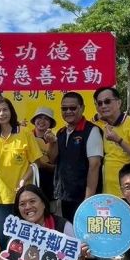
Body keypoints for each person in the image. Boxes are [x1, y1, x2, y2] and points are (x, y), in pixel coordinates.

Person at [0, 184, 91, 260]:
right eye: (22, 204)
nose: (28, 207)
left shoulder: (63, 226)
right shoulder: (17, 232)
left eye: (32, 201)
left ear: (43, 203)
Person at [0, 97, 44, 248]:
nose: (2, 114)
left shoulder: (24, 132)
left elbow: (35, 163)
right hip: (0, 197)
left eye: (5, 110)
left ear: (11, 111)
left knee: (25, 239)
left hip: (24, 197)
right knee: (2, 238)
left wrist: (24, 180)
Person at [92, 87, 130, 198]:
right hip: (108, 192)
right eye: (99, 103)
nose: (103, 106)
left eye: (107, 101)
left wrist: (119, 141)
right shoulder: (99, 125)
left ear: (119, 103)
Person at [52, 91, 103, 223]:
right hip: (65, 196)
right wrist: (52, 143)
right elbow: (53, 159)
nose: (68, 111)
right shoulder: (61, 132)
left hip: (84, 198)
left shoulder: (92, 130)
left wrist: (88, 200)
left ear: (82, 108)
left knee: (84, 232)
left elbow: (94, 166)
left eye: (73, 108)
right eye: (64, 108)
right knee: (69, 231)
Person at [30, 107, 58, 202]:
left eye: (46, 119)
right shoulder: (26, 136)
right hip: (30, 185)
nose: (42, 121)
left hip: (49, 187)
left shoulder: (55, 140)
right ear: (34, 121)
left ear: (50, 123)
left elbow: (57, 166)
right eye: (39, 118)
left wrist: (42, 165)